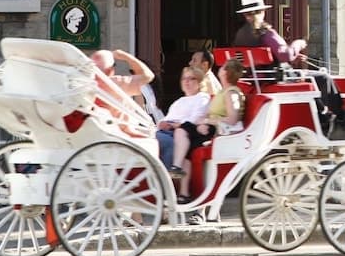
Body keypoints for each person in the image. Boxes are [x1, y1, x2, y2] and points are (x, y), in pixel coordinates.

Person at [233, 0, 343, 123]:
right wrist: (298, 44)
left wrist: (292, 56)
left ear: (245, 15)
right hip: (275, 79)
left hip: (257, 80)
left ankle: (322, 113)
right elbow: (286, 55)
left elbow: (269, 57)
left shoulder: (240, 35)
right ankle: (339, 116)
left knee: (313, 78)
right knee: (324, 78)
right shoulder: (265, 33)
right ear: (262, 11)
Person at [168, 58, 247, 201]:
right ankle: (184, 193)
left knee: (183, 129)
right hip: (209, 126)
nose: (219, 70)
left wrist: (207, 121)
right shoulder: (223, 92)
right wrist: (203, 123)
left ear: (225, 72)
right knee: (185, 147)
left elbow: (233, 119)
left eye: (222, 67)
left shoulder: (232, 93)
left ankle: (177, 168)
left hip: (219, 130)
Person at [155, 66, 210, 172]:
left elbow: (195, 119)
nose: (186, 82)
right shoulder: (179, 101)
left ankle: (167, 176)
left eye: (191, 78)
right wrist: (162, 123)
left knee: (165, 141)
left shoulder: (202, 98)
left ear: (199, 82)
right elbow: (168, 118)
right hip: (167, 130)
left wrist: (175, 125)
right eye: (184, 79)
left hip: (183, 132)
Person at [90, 48, 155, 96]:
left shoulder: (87, 82)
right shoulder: (114, 83)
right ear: (109, 69)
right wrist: (124, 56)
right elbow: (148, 77)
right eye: (114, 65)